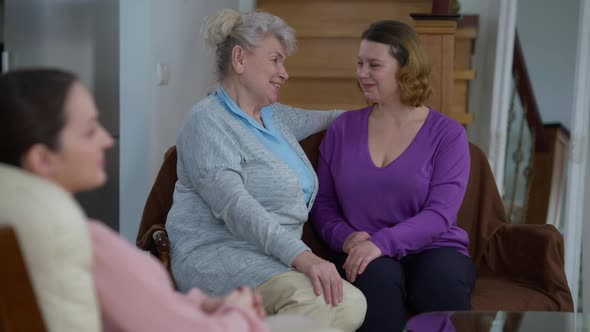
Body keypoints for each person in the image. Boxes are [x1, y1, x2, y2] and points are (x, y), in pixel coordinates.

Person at [0, 67, 308, 332]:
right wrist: (238, 310)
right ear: (41, 158)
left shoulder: (23, 216)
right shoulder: (82, 239)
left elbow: (142, 307)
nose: (107, 140)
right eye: (90, 130)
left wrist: (204, 304)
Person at [165, 9, 366, 332]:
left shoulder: (275, 117)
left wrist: (384, 112)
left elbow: (332, 118)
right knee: (319, 304)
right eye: (275, 60)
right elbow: (236, 206)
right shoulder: (207, 121)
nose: (284, 73)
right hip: (218, 257)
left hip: (273, 260)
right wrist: (304, 256)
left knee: (351, 303)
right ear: (240, 59)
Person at [310, 20, 477, 332]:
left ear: (406, 69)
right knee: (375, 276)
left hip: (434, 248)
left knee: (440, 278)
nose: (362, 73)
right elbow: (322, 204)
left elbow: (440, 214)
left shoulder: (447, 134)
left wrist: (382, 242)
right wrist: (345, 237)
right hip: (363, 250)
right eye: (360, 63)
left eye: (374, 65)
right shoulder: (342, 129)